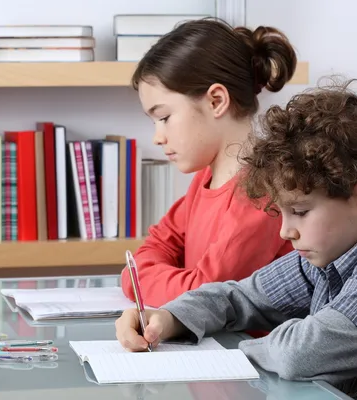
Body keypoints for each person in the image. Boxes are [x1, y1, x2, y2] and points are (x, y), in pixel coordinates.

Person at [115, 79, 357, 400]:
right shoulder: (331, 254)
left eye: (300, 211)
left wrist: (233, 352)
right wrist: (169, 319)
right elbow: (240, 297)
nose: (286, 231)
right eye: (281, 213)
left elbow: (303, 354)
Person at [121, 18, 295, 308]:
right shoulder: (206, 178)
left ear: (216, 101)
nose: (157, 137)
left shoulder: (262, 196)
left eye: (163, 117)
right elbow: (156, 247)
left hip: (242, 352)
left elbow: (202, 296)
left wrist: (141, 279)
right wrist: (142, 275)